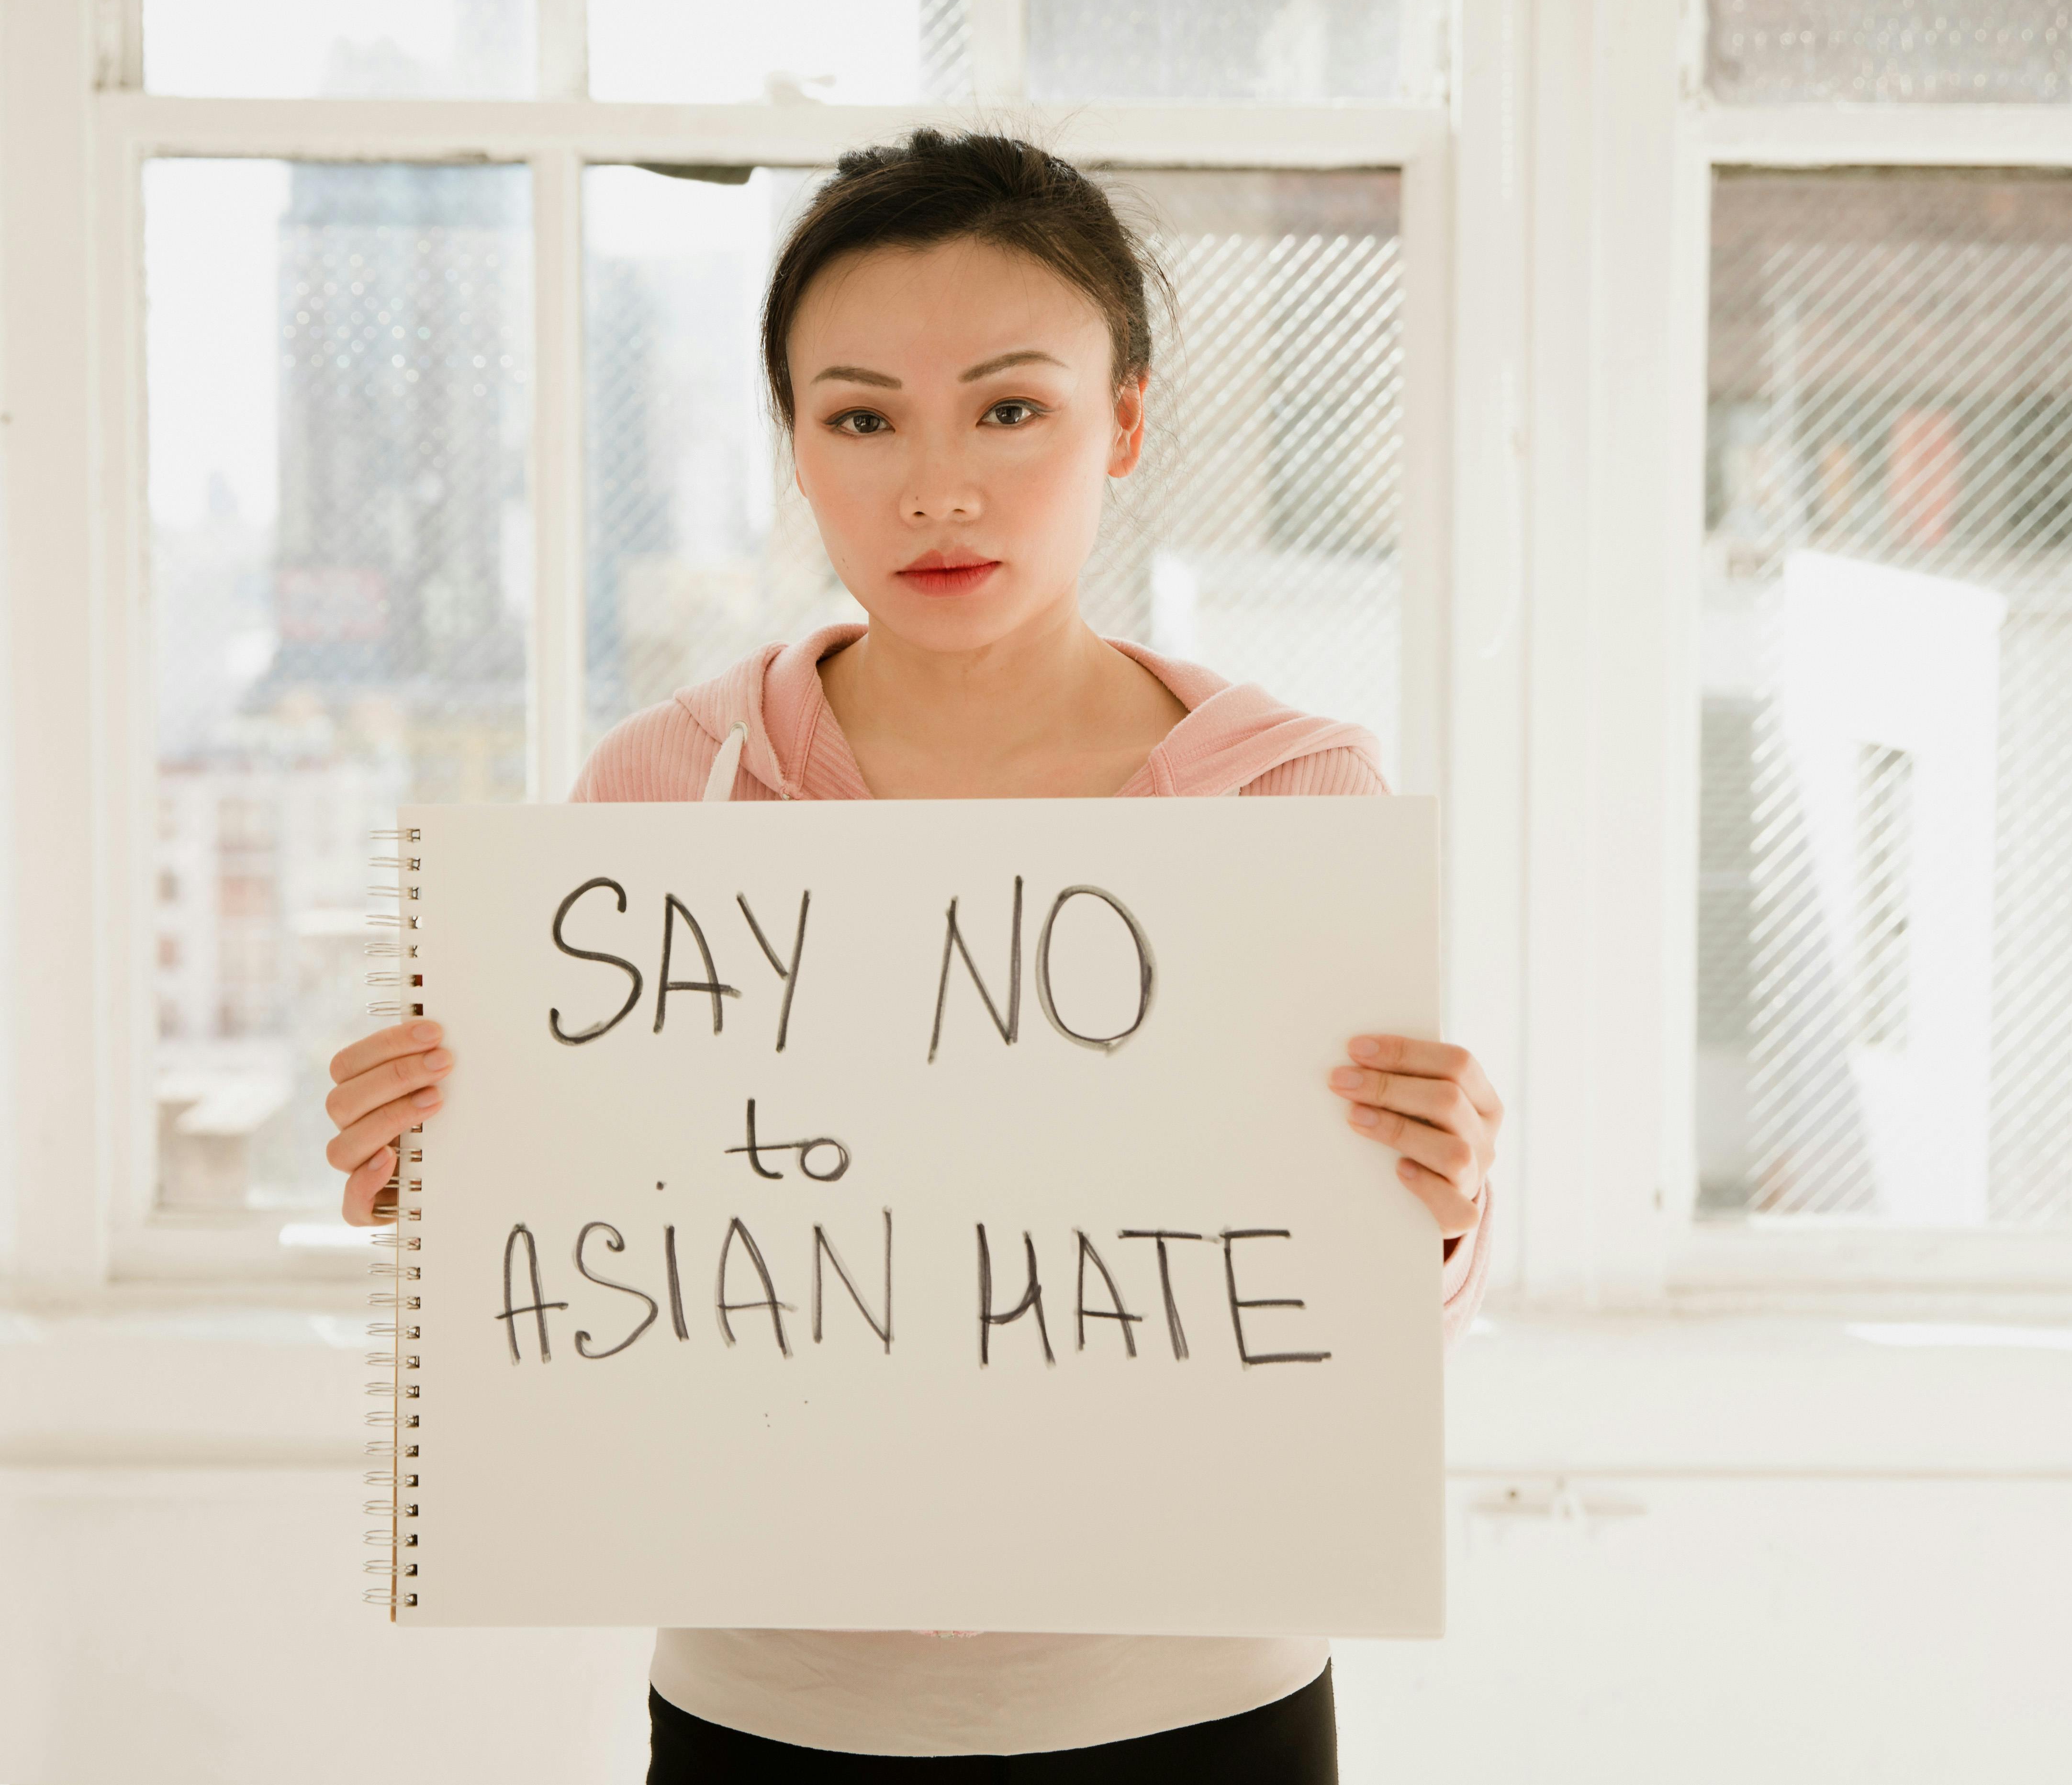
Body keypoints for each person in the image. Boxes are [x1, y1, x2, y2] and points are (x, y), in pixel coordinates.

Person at [319, 128, 1503, 1781]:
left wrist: (1436, 1213)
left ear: (1128, 423)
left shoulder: (1301, 797)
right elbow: (600, 1270)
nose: (937, 486)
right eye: (860, 416)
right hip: (772, 1711)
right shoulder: (660, 792)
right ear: (796, 448)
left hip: (1200, 1707)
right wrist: (432, 1176)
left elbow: (1338, 1328)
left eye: (1012, 410)